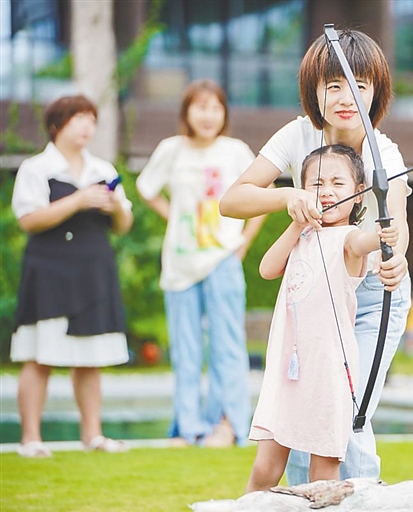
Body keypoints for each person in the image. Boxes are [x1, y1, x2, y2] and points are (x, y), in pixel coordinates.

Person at [219, 29, 411, 483]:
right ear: (314, 89)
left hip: (369, 299)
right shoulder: (297, 133)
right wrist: (289, 198)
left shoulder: (383, 150)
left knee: (347, 414)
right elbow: (233, 200)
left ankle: (362, 498)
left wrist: (394, 255)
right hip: (314, 308)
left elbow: (393, 222)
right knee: (304, 418)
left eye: (360, 86)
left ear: (376, 92)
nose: (347, 97)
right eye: (335, 85)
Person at [245, 144, 399, 492]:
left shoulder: (347, 238)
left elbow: (361, 243)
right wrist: (296, 225)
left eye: (337, 183)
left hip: (328, 372)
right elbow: (267, 269)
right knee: (266, 467)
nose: (326, 191)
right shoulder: (301, 235)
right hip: (288, 371)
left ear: (359, 195)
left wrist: (382, 235)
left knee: (323, 476)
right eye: (316, 184)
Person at [137, 80, 263, 448]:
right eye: (200, 107)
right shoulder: (171, 150)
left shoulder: (236, 151)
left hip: (223, 258)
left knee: (228, 345)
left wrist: (243, 244)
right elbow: (147, 190)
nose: (208, 116)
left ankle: (228, 424)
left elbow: (262, 199)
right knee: (185, 347)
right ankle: (187, 427)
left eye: (215, 108)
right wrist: (174, 219)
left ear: (224, 113)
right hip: (180, 262)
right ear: (186, 113)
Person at [11, 94, 134, 457]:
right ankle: (31, 438)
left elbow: (123, 224)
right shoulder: (36, 168)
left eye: (91, 120)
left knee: (90, 357)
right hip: (49, 270)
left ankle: (92, 435)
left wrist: (113, 206)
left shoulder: (103, 169)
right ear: (57, 124)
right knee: (40, 355)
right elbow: (28, 220)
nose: (86, 127)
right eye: (78, 118)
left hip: (93, 269)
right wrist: (78, 200)